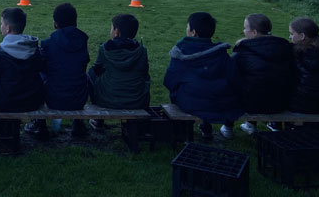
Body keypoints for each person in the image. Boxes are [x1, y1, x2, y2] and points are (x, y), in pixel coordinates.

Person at [163, 12, 242, 140]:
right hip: (220, 103)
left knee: (186, 91)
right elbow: (234, 79)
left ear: (193, 32)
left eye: (188, 27)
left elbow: (169, 81)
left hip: (191, 104)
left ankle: (188, 129)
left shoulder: (182, 53)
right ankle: (209, 127)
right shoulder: (221, 54)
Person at [26, 2, 90, 138]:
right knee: (79, 74)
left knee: (39, 75)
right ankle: (78, 123)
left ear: (55, 24)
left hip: (54, 98)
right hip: (79, 98)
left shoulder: (48, 44)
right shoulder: (83, 42)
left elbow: (41, 68)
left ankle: (39, 122)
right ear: (76, 23)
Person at [232, 13, 296, 135]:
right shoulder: (285, 48)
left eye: (245, 28)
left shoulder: (242, 50)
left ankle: (228, 128)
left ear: (254, 32)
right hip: (281, 103)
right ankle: (258, 125)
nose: (243, 30)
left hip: (251, 105)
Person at [87, 14, 150, 130]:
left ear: (117, 32)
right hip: (136, 101)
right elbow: (144, 73)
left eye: (112, 28)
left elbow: (95, 72)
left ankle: (98, 119)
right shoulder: (141, 51)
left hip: (107, 101)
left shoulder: (105, 49)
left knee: (91, 74)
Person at [0, 7, 44, 114]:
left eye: (2, 23)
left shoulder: (1, 51)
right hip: (32, 100)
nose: (1, 26)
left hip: (7, 100)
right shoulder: (35, 49)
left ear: (8, 28)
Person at [288, 17, 319, 114]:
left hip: (298, 103)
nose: (290, 37)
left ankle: (275, 124)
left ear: (302, 36)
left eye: (292, 34)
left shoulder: (296, 53)